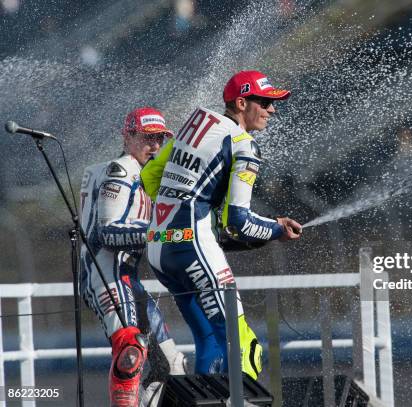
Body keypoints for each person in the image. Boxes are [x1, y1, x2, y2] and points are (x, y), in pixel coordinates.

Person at [141, 70, 302, 379]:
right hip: (192, 246)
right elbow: (239, 222)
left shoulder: (196, 123)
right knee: (245, 346)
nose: (272, 110)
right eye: (265, 102)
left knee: (211, 342)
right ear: (242, 103)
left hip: (159, 247)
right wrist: (278, 228)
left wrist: (184, 205)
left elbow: (148, 177)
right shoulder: (244, 144)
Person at [80, 107, 187, 407]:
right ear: (127, 137)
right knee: (130, 351)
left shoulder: (150, 175)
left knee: (172, 365)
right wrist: (166, 233)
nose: (155, 146)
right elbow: (108, 233)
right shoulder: (121, 170)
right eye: (147, 138)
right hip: (105, 276)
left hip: (128, 278)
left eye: (160, 139)